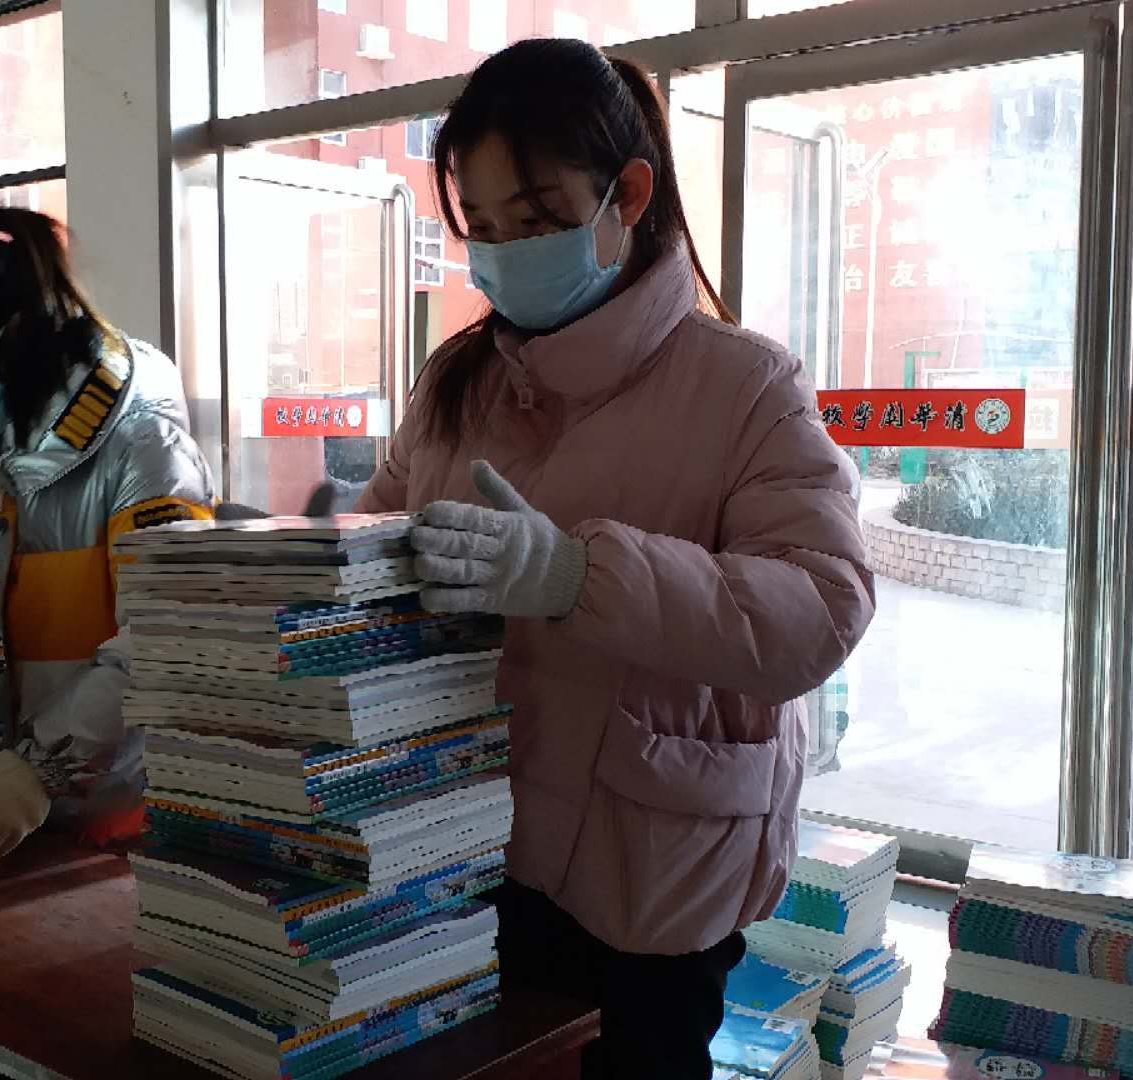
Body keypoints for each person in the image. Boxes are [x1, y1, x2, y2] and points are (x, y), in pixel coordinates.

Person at [353, 40, 875, 1078]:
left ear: (627, 196)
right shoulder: (457, 381)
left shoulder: (745, 385)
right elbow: (375, 540)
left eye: (536, 219)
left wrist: (576, 578)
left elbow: (821, 609)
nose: (504, 254)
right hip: (459, 842)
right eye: (483, 229)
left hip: (653, 869)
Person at [0, 208, 217, 877]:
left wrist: (39, 767)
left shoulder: (145, 448)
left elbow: (165, 635)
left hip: (116, 820)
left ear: (12, 332)